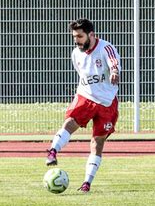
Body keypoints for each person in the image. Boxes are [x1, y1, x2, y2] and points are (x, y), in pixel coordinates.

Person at [46, 18, 120, 193]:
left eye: (80, 36)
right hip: (85, 96)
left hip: (107, 103)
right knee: (70, 123)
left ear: (91, 35)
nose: (76, 40)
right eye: (74, 37)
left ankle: (86, 183)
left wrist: (115, 72)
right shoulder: (75, 53)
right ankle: (52, 151)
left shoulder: (106, 48)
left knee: (97, 143)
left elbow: (113, 63)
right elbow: (81, 74)